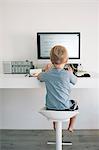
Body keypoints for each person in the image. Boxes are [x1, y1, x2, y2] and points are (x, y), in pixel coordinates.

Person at [33, 45, 78, 132]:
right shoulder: (67, 74)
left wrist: (46, 71)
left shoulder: (47, 74)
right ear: (66, 60)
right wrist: (71, 73)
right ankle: (71, 126)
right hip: (65, 107)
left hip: (50, 107)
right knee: (75, 104)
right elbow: (75, 81)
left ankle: (55, 126)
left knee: (54, 114)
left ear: (51, 60)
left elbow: (39, 77)